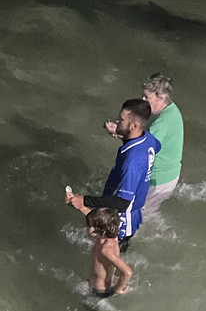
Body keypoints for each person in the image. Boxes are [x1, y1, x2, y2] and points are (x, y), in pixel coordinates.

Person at [67, 98, 159, 252]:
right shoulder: (147, 139)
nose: (118, 122)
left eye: (122, 120)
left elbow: (122, 202)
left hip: (121, 221)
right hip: (134, 214)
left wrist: (84, 200)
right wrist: (122, 136)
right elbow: (157, 147)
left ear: (134, 125)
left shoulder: (133, 161)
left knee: (107, 256)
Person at [139, 72, 183, 215]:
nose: (143, 99)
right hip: (169, 177)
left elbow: (141, 148)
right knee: (148, 212)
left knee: (138, 214)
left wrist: (118, 132)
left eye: (147, 97)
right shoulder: (171, 109)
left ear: (161, 97)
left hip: (158, 180)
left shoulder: (162, 122)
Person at [84, 206, 131, 297]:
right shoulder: (107, 236)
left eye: (91, 226)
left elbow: (128, 272)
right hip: (97, 282)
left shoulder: (106, 249)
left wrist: (117, 289)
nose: (88, 227)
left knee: (88, 308)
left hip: (99, 289)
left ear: (101, 230)